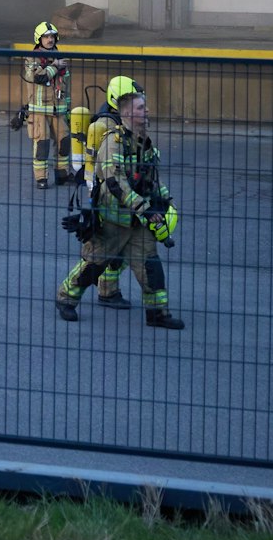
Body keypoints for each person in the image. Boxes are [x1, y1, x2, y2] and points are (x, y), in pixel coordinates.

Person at [56, 87, 184, 329]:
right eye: (140, 108)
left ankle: (158, 314)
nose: (146, 111)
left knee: (150, 266)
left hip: (137, 221)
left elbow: (152, 179)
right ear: (126, 114)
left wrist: (165, 202)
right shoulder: (112, 142)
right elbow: (116, 183)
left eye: (145, 107)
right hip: (113, 219)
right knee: (93, 265)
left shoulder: (143, 141)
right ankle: (65, 299)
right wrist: (144, 208)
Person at [75, 75, 143, 309]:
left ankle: (108, 291)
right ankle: (71, 294)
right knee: (103, 250)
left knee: (117, 249)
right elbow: (102, 168)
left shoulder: (120, 121)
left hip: (119, 195)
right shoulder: (106, 126)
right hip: (109, 196)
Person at [21, 22, 70, 189]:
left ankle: (62, 175)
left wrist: (67, 108)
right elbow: (37, 78)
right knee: (42, 146)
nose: (50, 40)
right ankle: (41, 178)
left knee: (64, 143)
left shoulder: (60, 56)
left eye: (52, 36)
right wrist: (55, 66)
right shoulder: (32, 57)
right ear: (39, 39)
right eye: (46, 37)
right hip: (39, 111)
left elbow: (64, 85)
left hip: (59, 111)